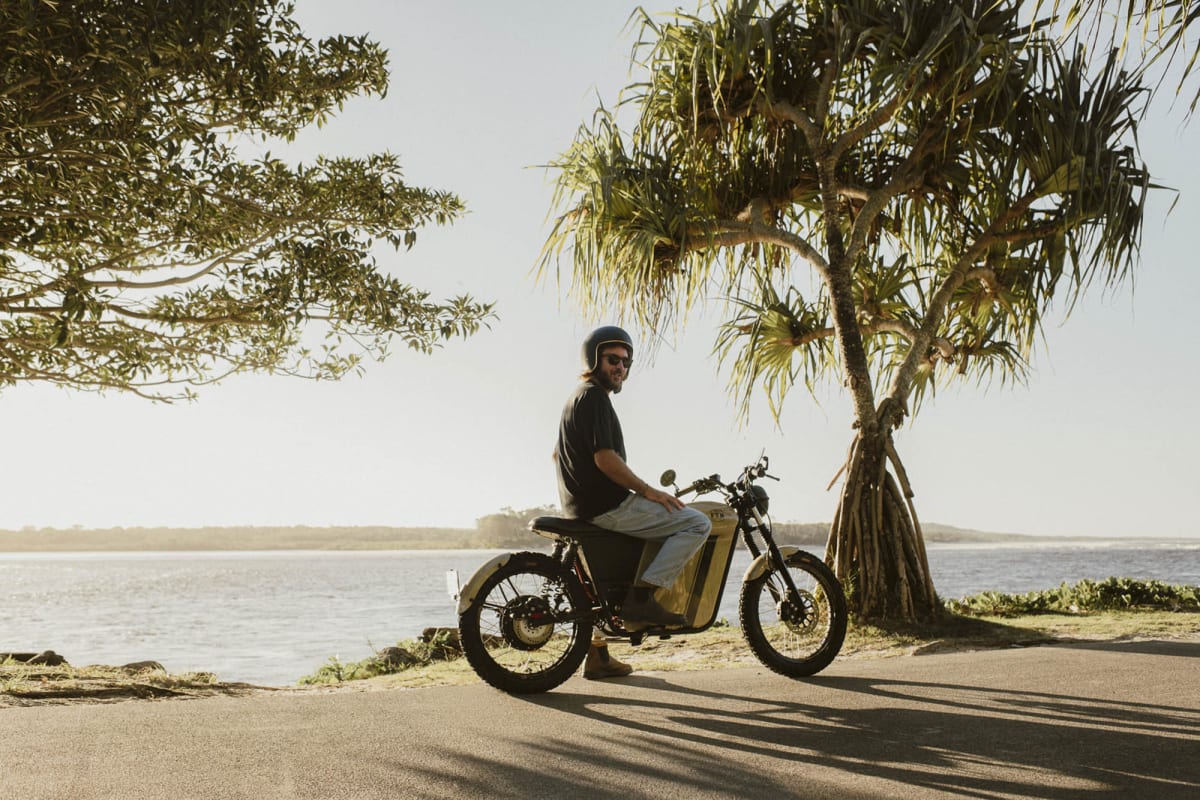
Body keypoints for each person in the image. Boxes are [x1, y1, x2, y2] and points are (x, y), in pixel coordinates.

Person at [555, 326, 712, 678]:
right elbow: (605, 459)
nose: (620, 368)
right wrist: (648, 491)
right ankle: (641, 602)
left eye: (626, 362)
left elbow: (560, 456)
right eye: (613, 360)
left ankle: (598, 655)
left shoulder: (577, 397)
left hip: (583, 506)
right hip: (606, 506)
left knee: (604, 578)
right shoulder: (594, 396)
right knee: (696, 522)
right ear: (594, 359)